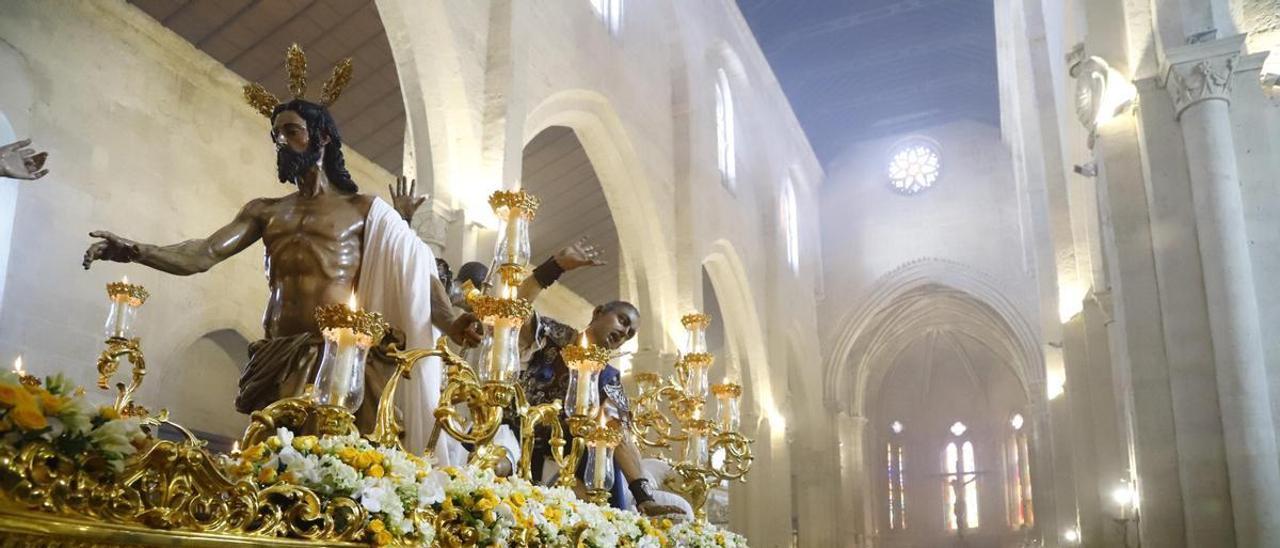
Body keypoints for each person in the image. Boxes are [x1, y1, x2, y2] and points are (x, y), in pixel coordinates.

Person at [81, 46, 480, 457]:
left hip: (337, 361)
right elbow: (204, 253)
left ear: (322, 137)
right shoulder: (265, 211)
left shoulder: (364, 211)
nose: (281, 142)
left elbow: (417, 271)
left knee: (329, 471)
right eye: (276, 136)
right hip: (276, 353)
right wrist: (136, 252)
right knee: (269, 463)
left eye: (291, 132)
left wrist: (451, 323)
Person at [512, 244, 691, 519]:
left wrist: (644, 496)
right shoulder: (553, 336)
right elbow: (516, 308)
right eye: (622, 321)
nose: (623, 332)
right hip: (516, 438)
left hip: (569, 465)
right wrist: (554, 267)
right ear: (598, 313)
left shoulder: (607, 377)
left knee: (590, 507)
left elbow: (617, 435)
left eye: (629, 334)